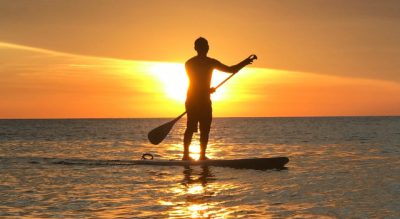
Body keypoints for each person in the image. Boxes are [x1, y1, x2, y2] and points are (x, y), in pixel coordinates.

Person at [183, 37, 256, 160]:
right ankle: (186, 155)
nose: (205, 48)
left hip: (205, 101)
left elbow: (231, 69)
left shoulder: (211, 62)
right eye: (202, 46)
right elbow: (194, 82)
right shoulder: (189, 63)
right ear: (196, 48)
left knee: (205, 129)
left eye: (206, 45)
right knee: (191, 127)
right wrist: (207, 90)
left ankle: (202, 156)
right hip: (193, 100)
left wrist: (245, 62)